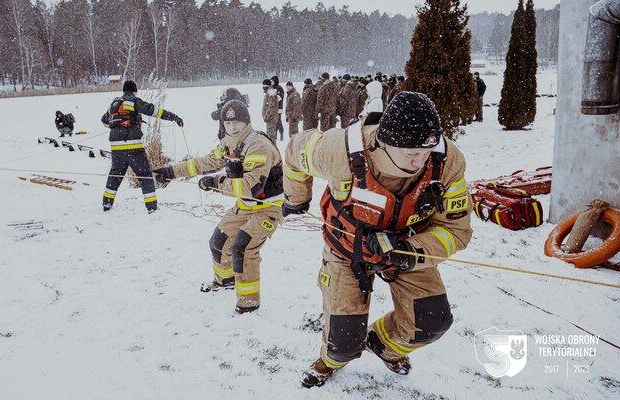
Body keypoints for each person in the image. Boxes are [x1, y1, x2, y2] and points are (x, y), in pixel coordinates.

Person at [282, 92, 473, 387]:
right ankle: (330, 361)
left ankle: (382, 344)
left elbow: (455, 231)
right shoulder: (339, 150)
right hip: (346, 251)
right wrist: (296, 198)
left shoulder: (447, 162)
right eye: (410, 152)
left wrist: (409, 252)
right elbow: (295, 151)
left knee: (432, 322)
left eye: (425, 151)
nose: (419, 160)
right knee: (344, 342)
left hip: (406, 250)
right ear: (383, 142)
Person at [152, 100, 283, 313]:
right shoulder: (228, 142)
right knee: (218, 241)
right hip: (246, 204)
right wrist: (171, 172)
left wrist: (216, 183)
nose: (232, 127)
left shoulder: (257, 145)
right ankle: (225, 280)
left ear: (246, 122)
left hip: (268, 207)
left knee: (243, 247)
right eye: (228, 122)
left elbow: (250, 186)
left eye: (237, 122)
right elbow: (205, 163)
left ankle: (248, 304)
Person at [100, 80, 183, 214]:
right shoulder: (132, 100)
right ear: (134, 91)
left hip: (116, 149)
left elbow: (104, 121)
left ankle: (106, 205)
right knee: (145, 176)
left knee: (115, 175)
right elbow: (153, 111)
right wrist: (174, 117)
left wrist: (118, 125)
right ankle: (152, 208)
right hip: (133, 147)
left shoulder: (114, 104)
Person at [271, 76, 285, 140]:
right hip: (272, 108)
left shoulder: (279, 88)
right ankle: (275, 134)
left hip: (278, 108)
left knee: (278, 121)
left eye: (272, 81)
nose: (271, 82)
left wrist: (274, 95)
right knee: (274, 121)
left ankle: (281, 133)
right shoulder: (271, 88)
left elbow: (280, 98)